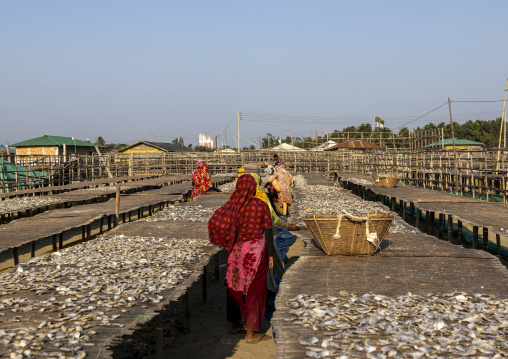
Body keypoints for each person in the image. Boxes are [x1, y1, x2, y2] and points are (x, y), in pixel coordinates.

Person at [208, 174, 274, 343]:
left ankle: (235, 325)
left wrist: (226, 241)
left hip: (236, 252)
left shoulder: (232, 204)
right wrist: (271, 254)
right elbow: (268, 231)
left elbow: (214, 222)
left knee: (234, 286)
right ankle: (251, 334)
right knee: (255, 290)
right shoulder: (260, 205)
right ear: (253, 187)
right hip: (256, 253)